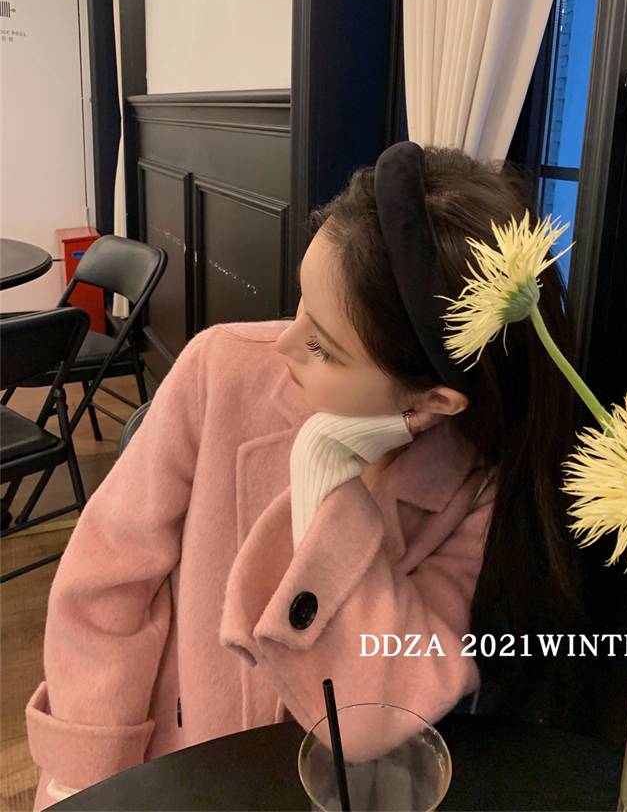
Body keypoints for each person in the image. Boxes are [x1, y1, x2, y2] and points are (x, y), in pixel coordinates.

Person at [26, 143, 581, 810]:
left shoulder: (476, 495)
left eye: (321, 343)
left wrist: (323, 474)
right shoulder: (221, 371)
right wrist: (89, 779)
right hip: (172, 775)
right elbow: (105, 585)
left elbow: (374, 711)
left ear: (434, 402)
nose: (284, 344)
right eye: (300, 304)